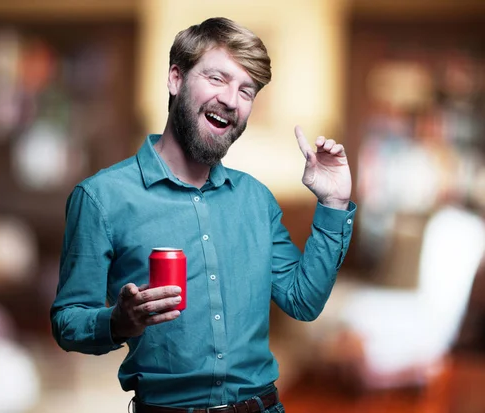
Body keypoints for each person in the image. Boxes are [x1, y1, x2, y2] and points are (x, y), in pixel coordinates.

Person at [51, 17, 356, 413]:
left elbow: (303, 301)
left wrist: (333, 203)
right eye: (217, 79)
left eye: (246, 90)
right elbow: (68, 321)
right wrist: (117, 322)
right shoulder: (100, 198)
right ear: (176, 79)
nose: (231, 99)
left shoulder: (256, 200)